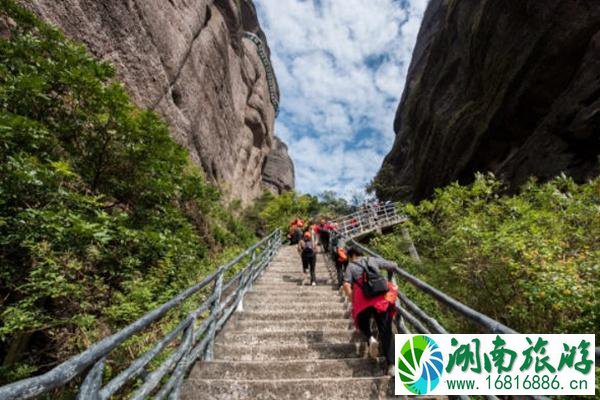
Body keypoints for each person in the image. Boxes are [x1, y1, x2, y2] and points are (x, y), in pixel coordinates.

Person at [342, 247, 398, 375]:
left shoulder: (350, 266)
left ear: (351, 256)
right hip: (380, 298)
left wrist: (352, 299)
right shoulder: (372, 259)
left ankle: (370, 338)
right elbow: (392, 265)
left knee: (362, 321)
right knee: (386, 331)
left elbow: (346, 284)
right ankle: (391, 365)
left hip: (363, 300)